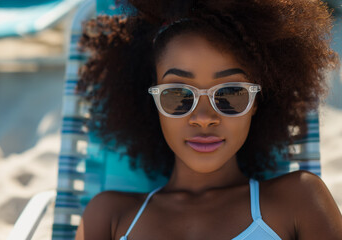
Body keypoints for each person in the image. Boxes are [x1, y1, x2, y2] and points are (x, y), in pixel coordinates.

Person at [75, 0, 342, 239]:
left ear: (255, 103)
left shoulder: (300, 200)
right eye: (178, 95)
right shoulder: (108, 216)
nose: (204, 118)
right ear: (154, 101)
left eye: (230, 94)